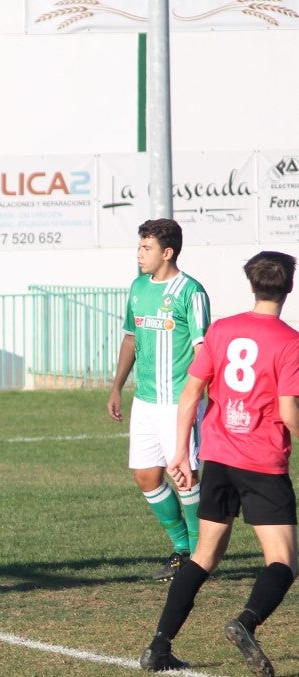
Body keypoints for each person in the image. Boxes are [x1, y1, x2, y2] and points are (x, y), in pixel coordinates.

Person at [141, 251, 299, 677]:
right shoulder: (289, 341)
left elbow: (191, 393)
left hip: (218, 457)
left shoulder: (223, 330)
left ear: (252, 285)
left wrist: (179, 452)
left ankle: (159, 646)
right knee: (284, 560)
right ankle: (245, 622)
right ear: (288, 287)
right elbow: (288, 410)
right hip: (262, 462)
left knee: (204, 556)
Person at [108, 219, 211, 581]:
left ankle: (200, 557)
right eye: (139, 247)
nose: (139, 254)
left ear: (167, 252)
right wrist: (117, 386)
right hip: (146, 401)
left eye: (146, 248)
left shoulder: (190, 292)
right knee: (146, 476)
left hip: (179, 401)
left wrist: (198, 397)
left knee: (184, 477)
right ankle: (183, 548)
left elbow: (204, 350)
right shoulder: (138, 288)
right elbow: (130, 339)